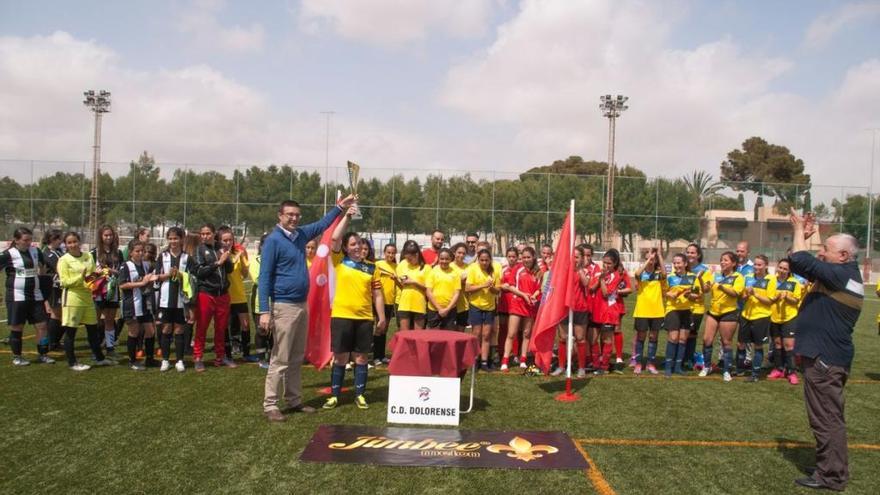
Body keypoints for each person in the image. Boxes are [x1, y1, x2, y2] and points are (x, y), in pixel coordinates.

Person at [258, 195, 355, 422]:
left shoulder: (300, 235)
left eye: (296, 215)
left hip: (302, 303)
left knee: (296, 356)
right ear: (280, 216)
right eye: (289, 215)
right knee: (280, 357)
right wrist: (264, 310)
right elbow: (264, 277)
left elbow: (322, 224)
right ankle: (270, 404)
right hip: (284, 305)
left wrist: (341, 206)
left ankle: (293, 400)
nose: (293, 218)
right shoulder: (273, 241)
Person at [789, 210, 862, 491]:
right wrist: (806, 238)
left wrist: (798, 231)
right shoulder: (843, 274)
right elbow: (801, 263)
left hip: (824, 360)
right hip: (829, 357)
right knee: (828, 417)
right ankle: (829, 466)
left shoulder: (839, 275)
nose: (821, 253)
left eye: (826, 250)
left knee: (826, 419)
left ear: (843, 255)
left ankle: (831, 476)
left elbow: (799, 259)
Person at [323, 210, 386, 410]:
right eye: (353, 244)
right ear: (346, 248)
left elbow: (377, 295)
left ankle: (359, 395)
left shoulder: (372, 268)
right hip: (342, 316)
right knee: (340, 358)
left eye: (360, 243)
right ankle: (334, 396)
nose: (358, 247)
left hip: (365, 318)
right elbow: (334, 237)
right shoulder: (339, 261)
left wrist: (382, 318)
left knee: (361, 358)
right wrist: (347, 217)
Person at [57, 231, 113, 371]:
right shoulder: (64, 260)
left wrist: (99, 274)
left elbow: (92, 276)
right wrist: (80, 278)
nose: (73, 245)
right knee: (71, 331)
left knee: (92, 329)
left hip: (88, 297)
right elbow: (64, 282)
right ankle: (72, 362)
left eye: (75, 241)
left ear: (79, 242)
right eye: (69, 242)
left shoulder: (88, 256)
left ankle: (100, 358)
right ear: (66, 245)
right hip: (72, 298)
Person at [1, 227, 54, 365]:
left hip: (35, 295)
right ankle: (17, 357)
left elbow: (43, 268)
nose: (29, 242)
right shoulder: (8, 254)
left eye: (30, 239)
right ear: (17, 240)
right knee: (17, 326)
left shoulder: (36, 251)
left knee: (42, 325)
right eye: (25, 240)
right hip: (17, 295)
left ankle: (43, 354)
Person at [192, 223, 235, 371]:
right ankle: (198, 357)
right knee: (202, 327)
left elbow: (229, 269)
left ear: (213, 233)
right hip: (206, 293)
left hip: (222, 294)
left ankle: (220, 357)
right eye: (202, 234)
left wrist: (227, 257)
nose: (205, 236)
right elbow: (199, 272)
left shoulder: (221, 247)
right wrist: (218, 263)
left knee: (221, 328)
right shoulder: (199, 250)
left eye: (208, 233)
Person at [697, 251, 744, 382]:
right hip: (713, 312)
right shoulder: (715, 275)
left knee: (726, 342)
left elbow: (735, 293)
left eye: (726, 260)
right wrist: (701, 280)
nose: (722, 262)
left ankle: (727, 370)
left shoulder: (738, 277)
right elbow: (706, 290)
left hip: (729, 312)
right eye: (721, 260)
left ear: (733, 263)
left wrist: (721, 286)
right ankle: (706, 367)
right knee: (707, 339)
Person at [551, 245, 592, 378]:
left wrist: (579, 270)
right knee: (562, 338)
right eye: (572, 257)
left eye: (577, 257)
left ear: (581, 258)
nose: (574, 259)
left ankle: (581, 368)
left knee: (580, 339)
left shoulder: (585, 270)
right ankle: (561, 366)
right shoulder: (564, 271)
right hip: (565, 307)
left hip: (580, 308)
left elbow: (587, 284)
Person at [155, 227, 191, 372]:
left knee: (179, 329)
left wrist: (181, 275)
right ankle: (165, 360)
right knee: (166, 328)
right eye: (170, 238)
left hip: (180, 300)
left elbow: (192, 277)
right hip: (165, 300)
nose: (173, 241)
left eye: (176, 238)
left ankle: (180, 360)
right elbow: (157, 276)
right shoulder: (162, 256)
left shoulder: (187, 257)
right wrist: (168, 275)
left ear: (182, 239)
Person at [118, 241, 159, 371]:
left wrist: (152, 280)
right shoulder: (126, 266)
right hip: (132, 304)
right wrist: (141, 283)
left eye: (142, 251)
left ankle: (150, 359)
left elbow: (150, 279)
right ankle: (133, 361)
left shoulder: (146, 265)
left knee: (150, 331)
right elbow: (123, 285)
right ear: (130, 252)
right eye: (137, 251)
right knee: (134, 332)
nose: (140, 253)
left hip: (145, 303)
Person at [592, 249, 631, 375]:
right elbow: (591, 287)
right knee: (593, 339)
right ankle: (596, 364)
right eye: (604, 263)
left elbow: (606, 293)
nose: (606, 266)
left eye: (609, 263)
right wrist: (598, 278)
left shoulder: (616, 275)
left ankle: (604, 367)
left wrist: (602, 280)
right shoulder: (600, 273)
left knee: (607, 340)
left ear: (614, 264)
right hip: (597, 309)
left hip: (609, 311)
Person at [737, 255, 773, 382]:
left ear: (766, 266)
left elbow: (770, 301)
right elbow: (743, 297)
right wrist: (746, 295)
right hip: (746, 315)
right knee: (741, 343)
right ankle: (740, 369)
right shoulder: (748, 277)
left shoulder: (770, 280)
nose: (756, 267)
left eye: (759, 265)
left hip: (761, 316)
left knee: (758, 345)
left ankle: (755, 373)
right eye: (755, 265)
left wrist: (755, 294)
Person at [632, 248, 667, 375]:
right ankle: (638, 363)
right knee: (641, 337)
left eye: (653, 258)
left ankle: (651, 363)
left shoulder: (659, 274)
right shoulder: (641, 274)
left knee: (653, 337)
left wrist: (658, 255)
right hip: (642, 311)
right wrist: (649, 260)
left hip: (657, 311)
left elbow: (664, 274)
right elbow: (637, 274)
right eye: (648, 257)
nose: (651, 259)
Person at [767, 258, 802, 384]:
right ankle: (778, 369)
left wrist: (787, 297)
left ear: (789, 271)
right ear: (777, 267)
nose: (782, 271)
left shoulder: (794, 283)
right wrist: (775, 298)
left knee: (789, 346)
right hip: (774, 318)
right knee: (777, 344)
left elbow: (796, 301)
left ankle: (792, 372)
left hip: (789, 318)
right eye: (780, 268)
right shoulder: (771, 280)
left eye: (785, 269)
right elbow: (769, 299)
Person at [92, 225, 124, 359]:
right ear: (101, 236)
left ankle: (110, 348)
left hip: (112, 290)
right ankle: (96, 349)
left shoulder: (118, 253)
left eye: (110, 235)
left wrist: (114, 272)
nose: (108, 237)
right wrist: (98, 273)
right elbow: (89, 273)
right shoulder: (93, 253)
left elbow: (122, 271)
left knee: (110, 320)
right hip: (98, 291)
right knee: (95, 320)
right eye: (106, 235)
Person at [219, 226, 251, 361]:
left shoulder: (238, 252)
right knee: (225, 324)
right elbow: (227, 270)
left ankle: (246, 353)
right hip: (225, 295)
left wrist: (242, 259)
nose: (228, 242)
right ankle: (227, 353)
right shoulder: (218, 254)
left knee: (245, 324)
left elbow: (244, 274)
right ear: (220, 241)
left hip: (239, 294)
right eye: (225, 240)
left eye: (230, 240)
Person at [466, 248, 501, 371]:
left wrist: (492, 288)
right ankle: (474, 360)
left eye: (487, 260)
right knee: (476, 334)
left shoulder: (494, 271)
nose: (484, 262)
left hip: (490, 307)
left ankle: (484, 361)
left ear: (490, 260)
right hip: (475, 305)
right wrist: (483, 285)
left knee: (486, 335)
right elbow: (468, 288)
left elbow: (498, 290)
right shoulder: (473, 269)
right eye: (482, 260)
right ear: (478, 260)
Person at [663, 253, 698, 376]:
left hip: (687, 311)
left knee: (683, 339)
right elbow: (664, 292)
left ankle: (678, 367)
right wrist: (669, 294)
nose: (676, 265)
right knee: (673, 338)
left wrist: (690, 295)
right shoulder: (670, 277)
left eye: (679, 262)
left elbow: (696, 296)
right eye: (675, 263)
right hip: (672, 309)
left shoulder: (692, 277)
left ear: (685, 264)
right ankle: (668, 367)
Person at [685, 243, 711, 370]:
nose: (690, 255)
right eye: (688, 252)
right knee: (679, 334)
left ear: (698, 255)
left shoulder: (704, 270)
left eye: (692, 252)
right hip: (681, 307)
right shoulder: (681, 267)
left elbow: (706, 290)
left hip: (696, 309)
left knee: (691, 334)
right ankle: (680, 359)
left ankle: (689, 359)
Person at [248, 233, 271, 369]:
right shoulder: (256, 260)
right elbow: (258, 279)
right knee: (262, 330)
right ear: (261, 246)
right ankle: (261, 358)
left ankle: (272, 356)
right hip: (259, 301)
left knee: (274, 331)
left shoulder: (278, 260)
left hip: (276, 301)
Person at [373, 243, 398, 365]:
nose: (390, 255)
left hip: (389, 302)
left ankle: (381, 355)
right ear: (384, 253)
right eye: (388, 252)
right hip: (378, 302)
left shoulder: (396, 267)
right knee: (378, 327)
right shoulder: (378, 265)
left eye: (393, 253)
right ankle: (375, 356)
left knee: (384, 329)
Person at [395, 240, 428, 330]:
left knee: (418, 337)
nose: (408, 261)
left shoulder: (426, 268)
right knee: (405, 335)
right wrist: (396, 280)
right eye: (406, 259)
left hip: (419, 305)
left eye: (410, 259)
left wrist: (414, 282)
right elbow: (402, 286)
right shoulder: (403, 264)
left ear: (417, 255)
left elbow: (428, 289)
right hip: (404, 304)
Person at [425, 248, 461, 329]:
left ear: (451, 259)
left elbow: (457, 293)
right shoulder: (432, 271)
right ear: (438, 258)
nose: (444, 261)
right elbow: (428, 292)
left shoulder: (455, 273)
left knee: (449, 337)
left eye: (447, 259)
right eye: (442, 259)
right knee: (434, 337)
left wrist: (447, 309)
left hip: (450, 310)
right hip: (434, 310)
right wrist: (439, 309)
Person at [41, 229, 65, 351]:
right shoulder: (47, 253)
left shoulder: (59, 251)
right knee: (56, 313)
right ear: (52, 239)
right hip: (54, 286)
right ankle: (52, 342)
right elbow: (58, 268)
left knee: (63, 315)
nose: (61, 241)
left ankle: (55, 340)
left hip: (62, 286)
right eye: (59, 238)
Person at [450, 242, 470, 331]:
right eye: (459, 252)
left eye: (463, 253)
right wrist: (460, 281)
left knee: (461, 332)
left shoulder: (468, 267)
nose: (461, 255)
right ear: (454, 253)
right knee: (450, 332)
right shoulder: (449, 266)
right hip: (451, 304)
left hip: (464, 304)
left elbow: (470, 284)